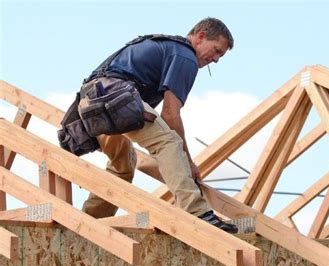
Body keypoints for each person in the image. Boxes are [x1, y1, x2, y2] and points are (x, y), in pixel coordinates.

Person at [63, 17, 237, 233]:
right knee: (168, 142)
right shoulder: (185, 56)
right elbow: (171, 114)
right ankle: (197, 212)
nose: (216, 59)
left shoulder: (166, 47)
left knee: (123, 168)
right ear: (200, 36)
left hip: (91, 106)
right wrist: (188, 161)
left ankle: (87, 226)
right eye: (217, 50)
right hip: (114, 99)